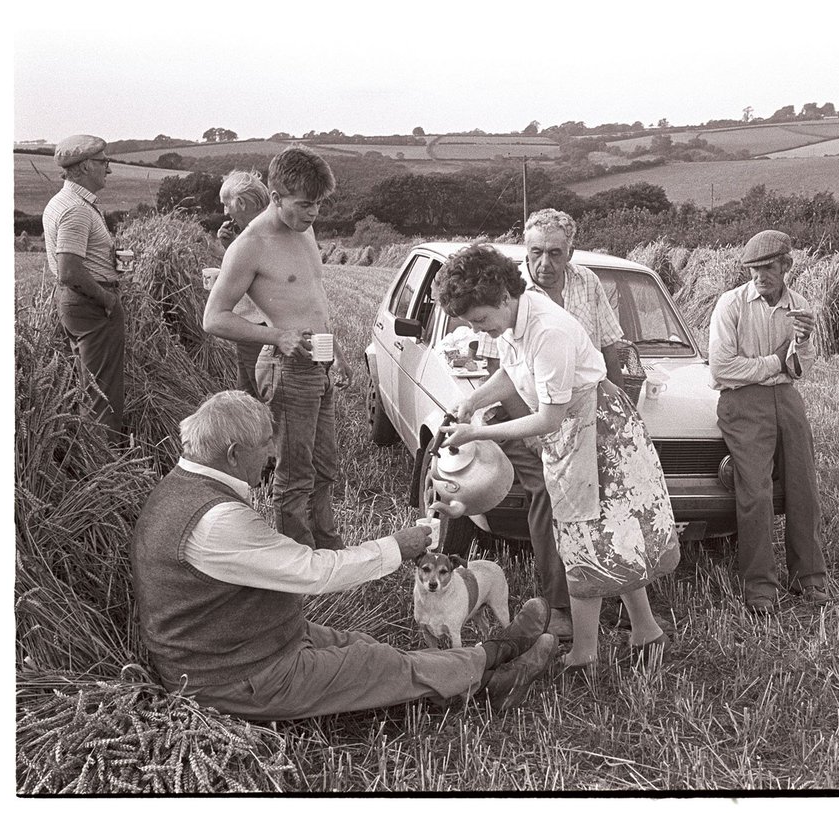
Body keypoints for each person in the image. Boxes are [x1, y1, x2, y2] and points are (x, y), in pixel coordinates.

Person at [130, 390, 557, 720]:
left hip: (250, 643)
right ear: (233, 454)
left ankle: (471, 678)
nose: (273, 452)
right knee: (380, 666)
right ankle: (500, 659)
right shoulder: (216, 522)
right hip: (237, 677)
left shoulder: (182, 486)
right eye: (265, 443)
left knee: (369, 649)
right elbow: (313, 572)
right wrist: (396, 547)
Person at [434, 243, 680, 672]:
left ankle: (585, 654)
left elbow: (548, 418)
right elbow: (513, 373)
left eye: (481, 319)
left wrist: (479, 431)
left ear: (504, 298)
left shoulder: (548, 330)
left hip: (596, 433)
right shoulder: (515, 321)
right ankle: (646, 630)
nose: (480, 328)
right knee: (607, 538)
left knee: (584, 542)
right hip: (576, 430)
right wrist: (473, 400)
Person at [475, 209, 632, 641]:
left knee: (604, 501)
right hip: (526, 414)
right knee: (548, 490)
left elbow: (609, 348)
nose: (544, 263)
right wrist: (532, 434)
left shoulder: (587, 284)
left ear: (570, 254)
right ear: (525, 252)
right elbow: (502, 371)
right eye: (536, 252)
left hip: (581, 411)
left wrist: (616, 416)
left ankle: (611, 597)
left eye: (554, 253)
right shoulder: (506, 292)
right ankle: (559, 604)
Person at [204, 146, 353, 550]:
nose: (314, 213)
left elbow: (311, 296)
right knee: (294, 475)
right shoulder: (250, 245)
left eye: (319, 204)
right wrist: (277, 336)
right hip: (288, 368)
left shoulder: (305, 228)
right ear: (275, 197)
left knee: (326, 467)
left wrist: (334, 348)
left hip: (318, 361)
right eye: (305, 205)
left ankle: (329, 551)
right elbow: (214, 317)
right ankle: (299, 562)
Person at [707, 229, 829, 614]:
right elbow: (722, 369)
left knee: (803, 488)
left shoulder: (800, 305)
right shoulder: (731, 305)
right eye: (753, 269)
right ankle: (760, 587)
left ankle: (807, 577)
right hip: (741, 403)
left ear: (787, 266)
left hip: (786, 398)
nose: (759, 276)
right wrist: (774, 362)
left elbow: (799, 369)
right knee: (755, 493)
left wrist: (803, 341)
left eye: (768, 268)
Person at [42, 134, 127, 443]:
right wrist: (107, 300)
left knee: (90, 387)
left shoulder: (64, 202)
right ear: (84, 167)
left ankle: (90, 460)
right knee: (102, 394)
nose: (109, 169)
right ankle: (103, 469)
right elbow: (69, 270)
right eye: (104, 162)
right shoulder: (76, 209)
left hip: (78, 303)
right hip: (91, 305)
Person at [209, 170, 272, 399]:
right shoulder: (256, 231)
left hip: (261, 326)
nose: (226, 212)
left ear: (242, 203)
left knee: (261, 395)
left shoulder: (263, 232)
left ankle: (268, 435)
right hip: (249, 324)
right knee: (247, 394)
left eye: (227, 205)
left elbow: (261, 274)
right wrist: (230, 245)